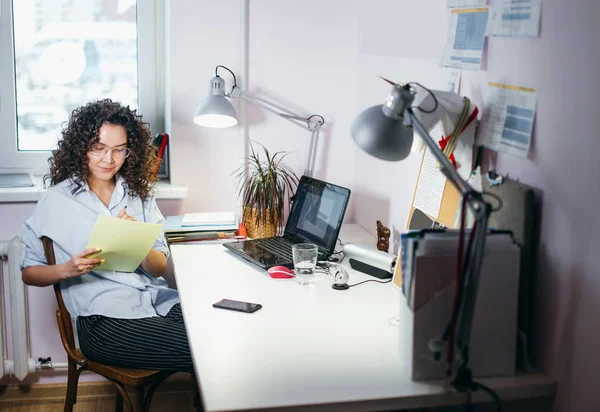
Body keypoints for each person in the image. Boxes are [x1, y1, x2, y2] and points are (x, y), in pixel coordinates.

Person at [20, 99, 193, 372]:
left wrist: (136, 240)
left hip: (156, 301)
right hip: (102, 319)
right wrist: (67, 269)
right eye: (98, 148)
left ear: (130, 152)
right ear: (82, 148)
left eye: (119, 150)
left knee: (220, 330)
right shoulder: (56, 200)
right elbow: (29, 273)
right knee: (205, 350)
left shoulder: (140, 194)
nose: (109, 160)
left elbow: (160, 268)